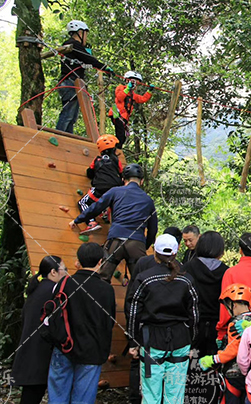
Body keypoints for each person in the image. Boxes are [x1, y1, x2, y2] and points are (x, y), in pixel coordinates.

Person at [126, 234, 199, 404]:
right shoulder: (186, 279)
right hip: (180, 341)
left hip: (151, 342)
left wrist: (133, 341)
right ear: (177, 251)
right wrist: (192, 341)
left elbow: (133, 311)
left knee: (151, 394)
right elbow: (195, 314)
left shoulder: (144, 278)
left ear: (154, 252)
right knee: (175, 394)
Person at [47, 243, 116, 404]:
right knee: (83, 399)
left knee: (57, 395)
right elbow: (109, 321)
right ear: (100, 261)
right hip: (92, 350)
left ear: (78, 261)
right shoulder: (106, 289)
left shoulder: (65, 283)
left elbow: (53, 314)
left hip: (64, 346)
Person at [69, 163, 158, 282]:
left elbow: (96, 207)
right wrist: (143, 245)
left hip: (116, 239)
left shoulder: (115, 191)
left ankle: (100, 299)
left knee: (102, 278)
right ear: (141, 181)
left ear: (123, 179)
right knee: (140, 281)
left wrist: (77, 219)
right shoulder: (148, 200)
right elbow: (153, 229)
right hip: (136, 242)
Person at [12, 256, 67, 404]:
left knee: (31, 394)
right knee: (32, 395)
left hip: (30, 350)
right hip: (40, 351)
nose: (66, 274)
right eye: (64, 269)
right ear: (53, 272)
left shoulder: (36, 289)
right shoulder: (53, 291)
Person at [198, 284, 251, 404]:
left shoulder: (235, 324)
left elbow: (232, 350)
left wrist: (213, 359)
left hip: (235, 374)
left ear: (233, 305)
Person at [56, 20, 113, 134]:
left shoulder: (72, 47)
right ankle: (59, 136)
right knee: (68, 114)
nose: (86, 38)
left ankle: (67, 137)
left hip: (72, 83)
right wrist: (104, 67)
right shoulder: (73, 45)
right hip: (70, 82)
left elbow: (86, 60)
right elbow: (88, 59)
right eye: (85, 34)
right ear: (80, 33)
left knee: (72, 116)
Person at [216, 233, 251, 342]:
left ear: (240, 250)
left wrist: (221, 331)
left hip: (234, 330)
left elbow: (225, 307)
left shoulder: (230, 273)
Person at [181, 231, 229, 356]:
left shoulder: (187, 268)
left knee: (192, 365)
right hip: (217, 326)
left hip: (192, 325)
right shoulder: (226, 272)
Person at [77, 134, 124, 234]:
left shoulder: (97, 160)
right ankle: (106, 214)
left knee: (83, 202)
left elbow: (89, 173)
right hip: (115, 190)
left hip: (100, 188)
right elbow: (121, 173)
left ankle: (91, 222)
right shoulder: (116, 161)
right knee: (111, 203)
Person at [109, 71, 154, 149]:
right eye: (133, 82)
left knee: (123, 137)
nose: (135, 85)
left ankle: (115, 148)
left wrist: (149, 91)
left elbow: (142, 99)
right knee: (121, 135)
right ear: (127, 80)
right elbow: (119, 98)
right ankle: (114, 149)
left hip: (124, 117)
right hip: (117, 114)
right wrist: (127, 88)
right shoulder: (121, 87)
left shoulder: (133, 94)